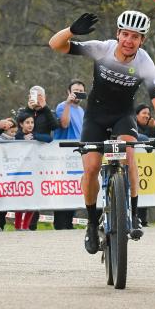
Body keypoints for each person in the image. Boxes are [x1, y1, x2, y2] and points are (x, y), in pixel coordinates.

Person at [49, 10, 155, 254]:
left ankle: (134, 215)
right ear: (118, 34)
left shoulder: (144, 63)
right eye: (125, 34)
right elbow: (55, 45)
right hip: (94, 117)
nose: (129, 40)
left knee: (128, 155)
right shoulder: (101, 49)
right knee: (92, 168)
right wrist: (72, 31)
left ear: (142, 41)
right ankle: (92, 225)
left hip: (122, 117)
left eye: (135, 37)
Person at [53, 80, 87, 230]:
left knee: (74, 189)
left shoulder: (82, 111)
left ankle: (69, 222)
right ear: (68, 92)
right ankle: (60, 224)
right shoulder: (62, 106)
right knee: (63, 190)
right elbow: (64, 124)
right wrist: (68, 103)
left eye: (81, 90)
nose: (78, 93)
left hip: (78, 155)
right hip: (63, 156)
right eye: (75, 90)